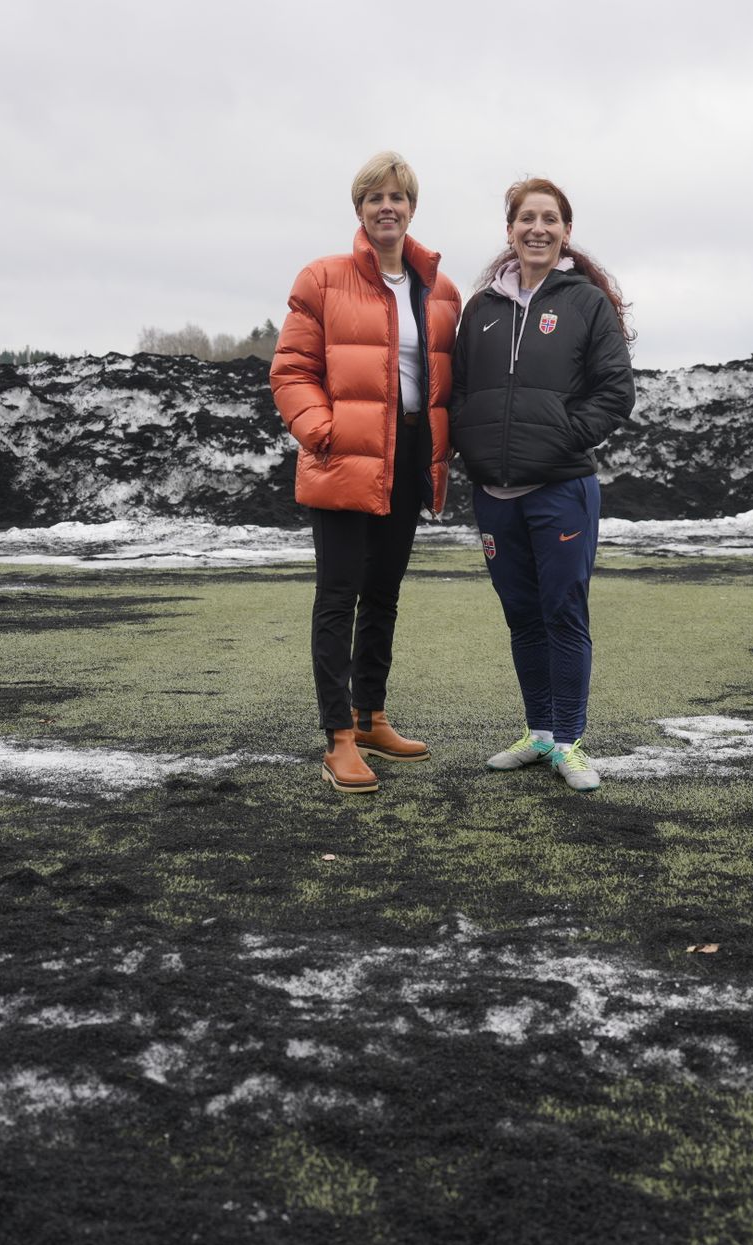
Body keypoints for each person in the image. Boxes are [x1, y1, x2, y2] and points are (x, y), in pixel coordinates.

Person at [270, 151, 460, 795]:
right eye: (375, 198)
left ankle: (371, 715)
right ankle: (339, 739)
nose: (388, 207)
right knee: (339, 593)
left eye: (399, 198)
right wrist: (322, 432)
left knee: (384, 591)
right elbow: (290, 371)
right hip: (344, 455)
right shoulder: (322, 279)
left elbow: (446, 381)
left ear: (412, 209)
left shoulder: (441, 292)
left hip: (408, 459)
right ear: (359, 210)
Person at [450, 177, 635, 793]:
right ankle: (537, 733)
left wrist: (559, 438)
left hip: (560, 489)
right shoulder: (480, 310)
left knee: (563, 612)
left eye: (549, 219)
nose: (538, 229)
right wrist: (472, 447)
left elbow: (615, 393)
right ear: (509, 231)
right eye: (526, 218)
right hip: (495, 495)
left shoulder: (586, 304)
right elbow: (459, 393)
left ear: (566, 232)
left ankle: (569, 741)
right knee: (522, 616)